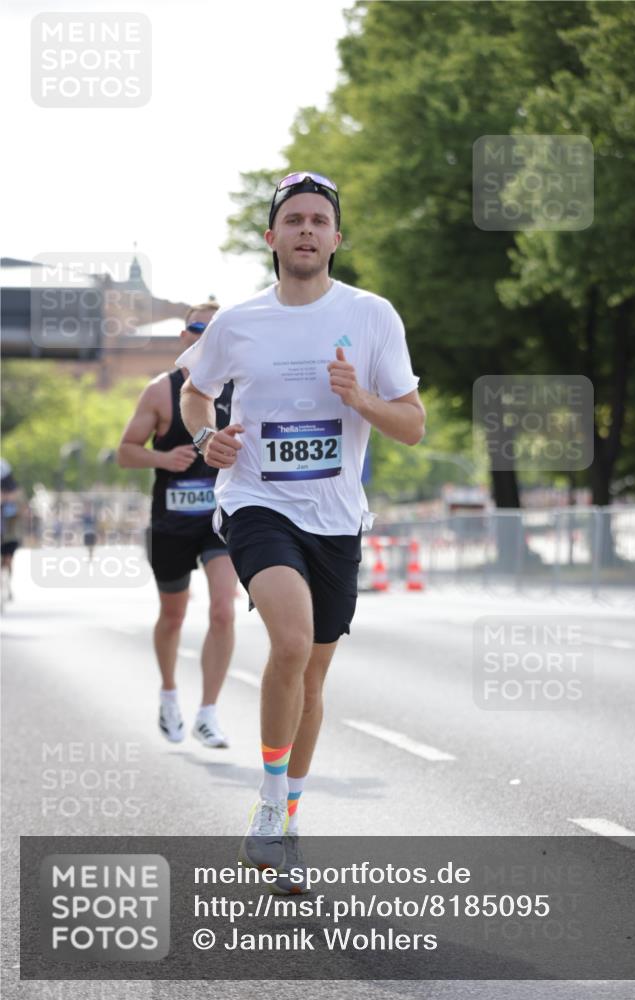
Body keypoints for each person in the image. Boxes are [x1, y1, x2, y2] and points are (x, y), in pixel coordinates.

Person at [177, 172, 425, 883]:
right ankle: (265, 806)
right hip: (256, 501)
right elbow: (196, 394)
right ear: (272, 238)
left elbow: (411, 426)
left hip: (336, 518)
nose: (307, 230)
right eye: (295, 220)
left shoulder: (373, 315)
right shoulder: (238, 321)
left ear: (336, 239)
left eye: (320, 220)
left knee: (312, 677)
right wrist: (207, 440)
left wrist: (361, 398)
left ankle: (285, 823)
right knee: (287, 641)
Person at [118, 303, 237, 748]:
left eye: (213, 329)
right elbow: (125, 451)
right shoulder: (159, 391)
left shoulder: (240, 387)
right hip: (170, 520)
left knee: (224, 609)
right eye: (195, 328)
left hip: (220, 520)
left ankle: (208, 712)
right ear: (183, 337)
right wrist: (162, 458)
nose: (203, 335)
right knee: (173, 614)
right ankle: (169, 694)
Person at [1, 458, 23, 604]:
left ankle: (7, 583)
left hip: (7, 526)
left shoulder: (3, 468)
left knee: (8, 557)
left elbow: (15, 494)